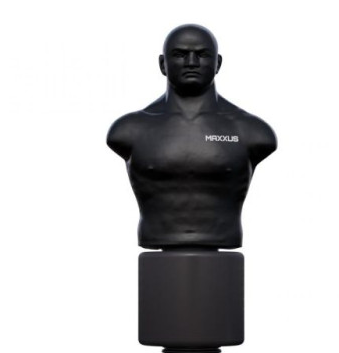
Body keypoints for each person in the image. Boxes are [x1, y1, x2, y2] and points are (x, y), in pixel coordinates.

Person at [107, 24, 277, 249]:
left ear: (218, 63)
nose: (191, 62)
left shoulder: (252, 131)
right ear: (162, 64)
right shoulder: (129, 130)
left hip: (223, 247)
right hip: (157, 245)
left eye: (202, 55)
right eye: (180, 54)